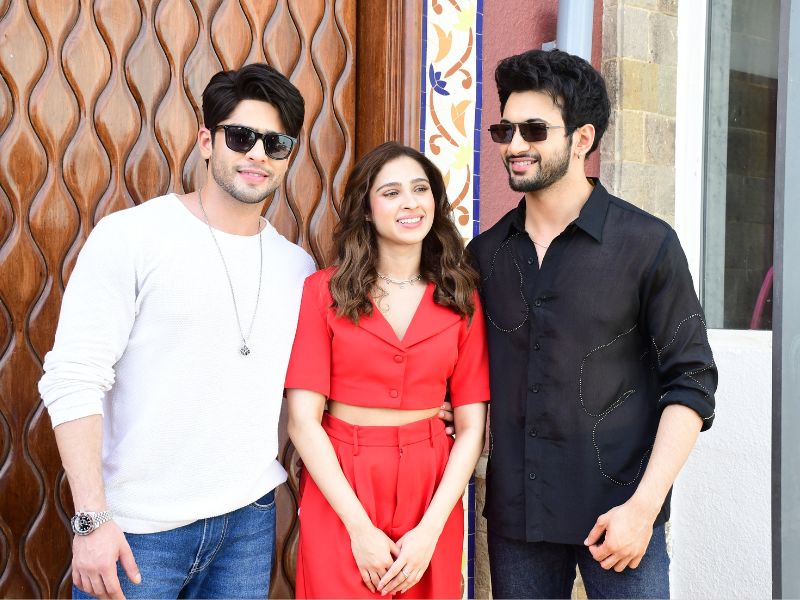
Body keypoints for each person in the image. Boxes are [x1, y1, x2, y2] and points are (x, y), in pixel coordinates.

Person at [38, 63, 315, 599]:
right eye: (241, 136)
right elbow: (73, 378)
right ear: (207, 142)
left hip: (247, 523)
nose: (258, 153)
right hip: (136, 530)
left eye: (275, 143)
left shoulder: (297, 268)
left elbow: (311, 385)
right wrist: (92, 520)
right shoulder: (133, 237)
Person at [464, 49, 717, 599]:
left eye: (534, 129)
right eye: (505, 129)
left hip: (621, 518)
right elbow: (464, 374)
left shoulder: (647, 244)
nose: (514, 144)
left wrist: (644, 509)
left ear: (582, 139)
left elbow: (692, 383)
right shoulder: (484, 256)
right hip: (519, 520)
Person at [284, 142, 489, 599]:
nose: (410, 203)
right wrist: (359, 529)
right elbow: (302, 421)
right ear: (366, 208)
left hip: (430, 486)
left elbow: (472, 428)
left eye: (420, 189)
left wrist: (430, 531)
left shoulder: (462, 298)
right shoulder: (323, 292)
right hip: (341, 482)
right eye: (391, 192)